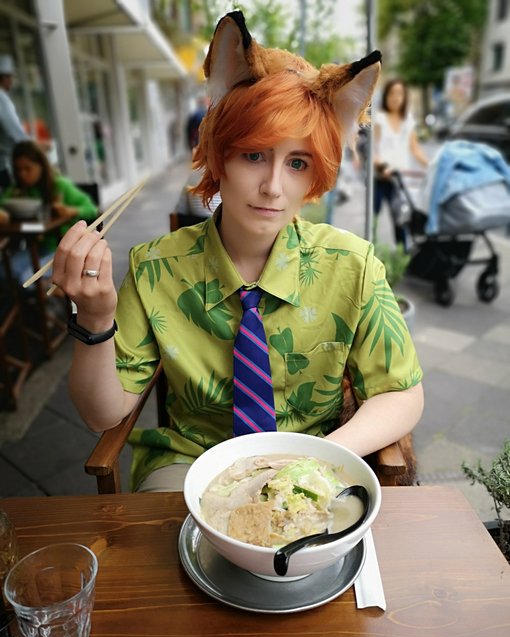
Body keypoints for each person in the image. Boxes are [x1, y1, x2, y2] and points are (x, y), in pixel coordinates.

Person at [51, 11, 424, 493]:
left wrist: (313, 458)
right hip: (191, 464)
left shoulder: (351, 266)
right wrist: (95, 318)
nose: (273, 186)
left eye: (297, 162)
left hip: (311, 461)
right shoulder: (155, 268)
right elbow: (102, 414)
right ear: (218, 153)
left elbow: (401, 393)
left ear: (317, 172)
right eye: (253, 155)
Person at [0, 140, 98, 284]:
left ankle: (58, 289)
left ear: (41, 165)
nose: (22, 174)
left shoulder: (60, 185)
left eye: (28, 168)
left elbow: (92, 210)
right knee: (4, 271)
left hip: (63, 246)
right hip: (38, 246)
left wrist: (71, 211)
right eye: (18, 170)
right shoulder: (18, 190)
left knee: (27, 280)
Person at [373, 78, 429, 250]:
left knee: (401, 220)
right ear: (386, 96)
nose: (396, 98)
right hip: (380, 178)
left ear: (405, 97)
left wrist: (431, 165)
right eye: (392, 93)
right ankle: (368, 252)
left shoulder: (408, 120)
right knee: (373, 218)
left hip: (399, 180)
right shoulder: (379, 119)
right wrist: (382, 166)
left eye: (400, 94)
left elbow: (415, 148)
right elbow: (373, 150)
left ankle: (402, 255)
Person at [0, 55, 28, 193]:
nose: (11, 81)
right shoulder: (1, 99)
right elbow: (14, 131)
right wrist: (31, 147)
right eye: (9, 77)